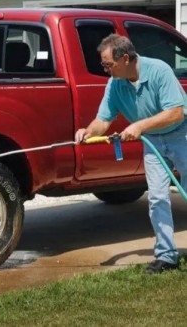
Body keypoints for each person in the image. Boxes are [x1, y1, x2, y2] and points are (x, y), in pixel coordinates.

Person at [75, 34, 187, 274]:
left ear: (125, 58)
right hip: (153, 142)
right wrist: (88, 131)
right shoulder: (115, 84)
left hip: (181, 135)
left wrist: (139, 126)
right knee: (157, 198)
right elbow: (103, 120)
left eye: (108, 65)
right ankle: (167, 256)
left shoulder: (159, 71)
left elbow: (176, 112)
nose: (105, 70)